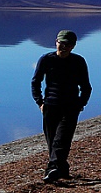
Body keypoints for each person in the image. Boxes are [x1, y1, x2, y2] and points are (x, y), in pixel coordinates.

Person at [32, 29, 92, 182]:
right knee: (53, 142)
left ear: (73, 46)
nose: (63, 47)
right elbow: (35, 82)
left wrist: (80, 104)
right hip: (50, 106)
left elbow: (86, 87)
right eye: (61, 43)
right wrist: (40, 102)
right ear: (56, 42)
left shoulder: (78, 61)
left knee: (62, 139)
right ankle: (63, 170)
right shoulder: (46, 59)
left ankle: (52, 169)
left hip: (70, 107)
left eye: (68, 44)